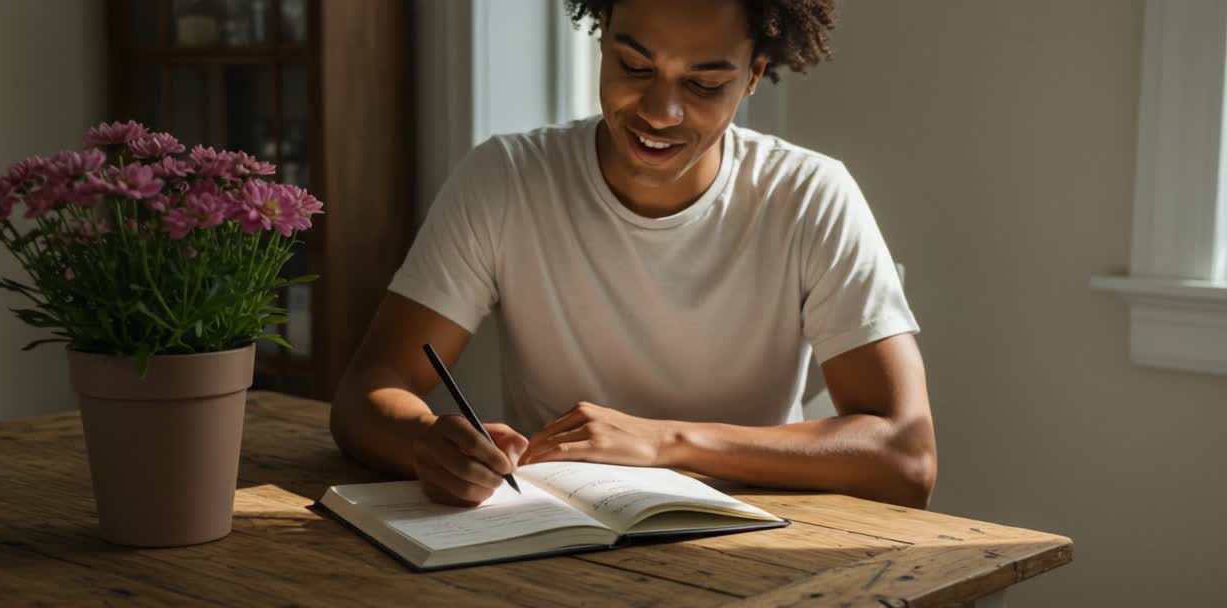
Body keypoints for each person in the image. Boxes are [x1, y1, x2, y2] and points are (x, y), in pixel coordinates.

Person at [331, 0, 935, 516]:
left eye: (703, 83)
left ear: (753, 76)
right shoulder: (507, 179)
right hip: (554, 534)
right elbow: (369, 389)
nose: (659, 112)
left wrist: (666, 441)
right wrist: (425, 443)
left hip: (752, 540)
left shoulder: (807, 196)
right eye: (634, 66)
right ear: (602, 38)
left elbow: (907, 455)